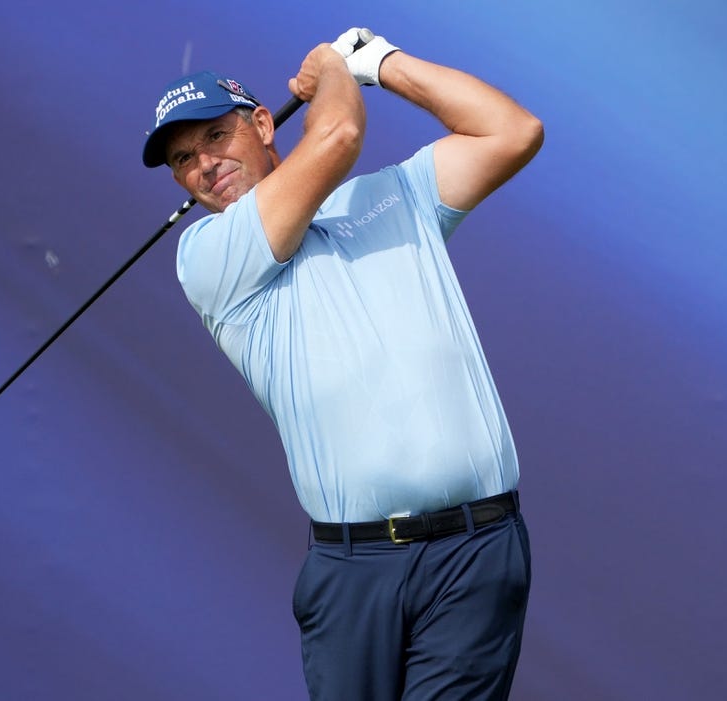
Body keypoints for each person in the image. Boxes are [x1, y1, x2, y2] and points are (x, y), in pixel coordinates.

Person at [142, 27, 543, 701]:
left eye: (215, 137)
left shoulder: (393, 197)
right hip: (352, 569)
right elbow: (334, 140)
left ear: (263, 124)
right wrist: (335, 67)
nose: (203, 165)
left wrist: (382, 64)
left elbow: (512, 130)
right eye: (183, 159)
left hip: (477, 551)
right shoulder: (208, 255)